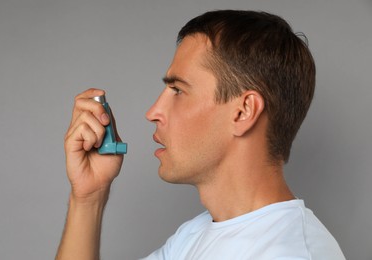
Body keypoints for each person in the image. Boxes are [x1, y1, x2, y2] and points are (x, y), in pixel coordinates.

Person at [56, 10, 345, 260]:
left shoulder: (289, 253)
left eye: (178, 90)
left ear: (244, 112)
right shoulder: (195, 235)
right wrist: (89, 198)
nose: (153, 111)